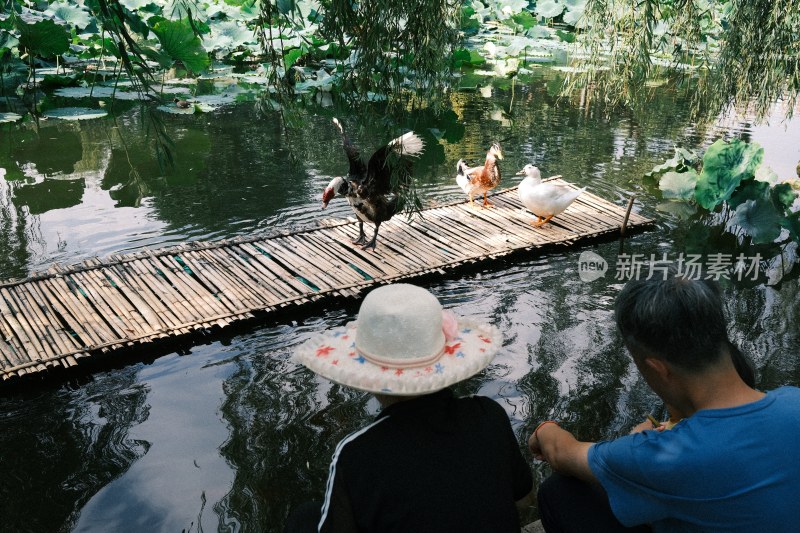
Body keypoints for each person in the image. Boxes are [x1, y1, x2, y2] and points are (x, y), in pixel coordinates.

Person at [529, 273, 800, 532]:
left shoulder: (664, 457)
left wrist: (544, 429)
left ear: (658, 369)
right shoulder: (793, 399)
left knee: (560, 492)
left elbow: (561, 453)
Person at [290, 283, 534, 533]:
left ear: (367, 376)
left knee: (305, 518)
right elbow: (523, 499)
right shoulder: (488, 413)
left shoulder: (356, 454)